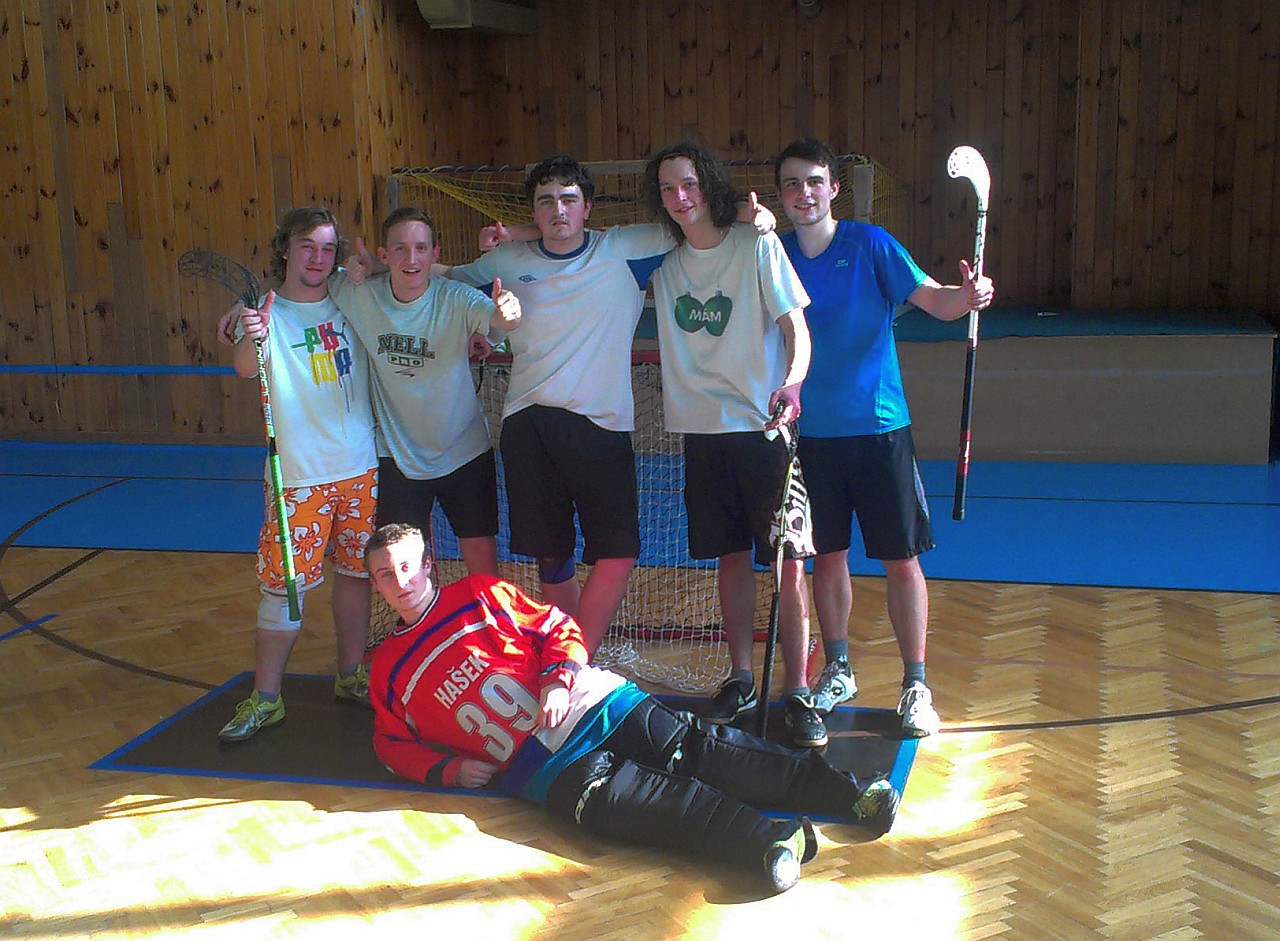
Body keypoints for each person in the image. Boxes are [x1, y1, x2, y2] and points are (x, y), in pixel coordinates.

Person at [364, 522, 900, 895]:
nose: (401, 581)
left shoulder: (480, 595)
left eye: (407, 566)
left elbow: (558, 628)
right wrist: (450, 770)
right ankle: (769, 844)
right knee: (657, 809)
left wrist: (558, 680)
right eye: (386, 574)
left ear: (428, 565)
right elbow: (389, 745)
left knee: (709, 754)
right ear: (375, 583)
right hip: (546, 767)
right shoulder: (387, 669)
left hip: (596, 704)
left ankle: (850, 794)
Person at [434, 156, 777, 654]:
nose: (558, 210)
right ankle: (566, 660)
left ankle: (574, 662)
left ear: (588, 207)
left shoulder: (623, 248)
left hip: (601, 427)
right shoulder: (505, 262)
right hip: (528, 424)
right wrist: (384, 270)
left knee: (618, 552)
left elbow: (692, 216)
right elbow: (447, 279)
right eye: (546, 202)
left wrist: (750, 215)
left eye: (568, 200)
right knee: (551, 555)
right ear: (533, 209)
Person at [773, 138, 995, 736]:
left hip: (878, 431)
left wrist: (967, 297)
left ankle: (915, 683)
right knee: (827, 558)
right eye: (792, 184)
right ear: (781, 195)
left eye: (814, 181)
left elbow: (937, 303)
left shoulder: (871, 244)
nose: (804, 193)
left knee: (901, 560)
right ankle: (838, 668)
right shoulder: (774, 254)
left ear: (833, 188)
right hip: (809, 436)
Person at [641, 139, 825, 748]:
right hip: (703, 434)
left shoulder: (757, 244)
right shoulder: (661, 263)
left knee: (787, 564)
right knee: (730, 559)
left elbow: (795, 327)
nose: (680, 197)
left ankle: (798, 691)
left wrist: (793, 381)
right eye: (668, 188)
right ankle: (741, 677)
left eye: (689, 184)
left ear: (709, 184)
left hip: (763, 428)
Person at [216, 206, 379, 743]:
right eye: (307, 245)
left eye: (328, 249)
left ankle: (350, 675)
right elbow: (245, 365)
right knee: (284, 588)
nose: (317, 258)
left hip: (359, 467)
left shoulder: (352, 300)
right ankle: (266, 698)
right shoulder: (266, 312)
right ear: (285, 248)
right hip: (298, 477)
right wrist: (248, 327)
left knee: (356, 575)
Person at [330, 207, 523, 577]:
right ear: (383, 254)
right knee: (403, 567)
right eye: (400, 249)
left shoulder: (457, 298)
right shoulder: (358, 292)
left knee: (482, 560)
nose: (411, 258)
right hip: (396, 455)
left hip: (464, 451)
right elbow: (304, 283)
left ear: (435, 253)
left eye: (421, 248)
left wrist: (508, 313)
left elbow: (499, 320)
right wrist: (245, 313)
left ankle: (487, 617)